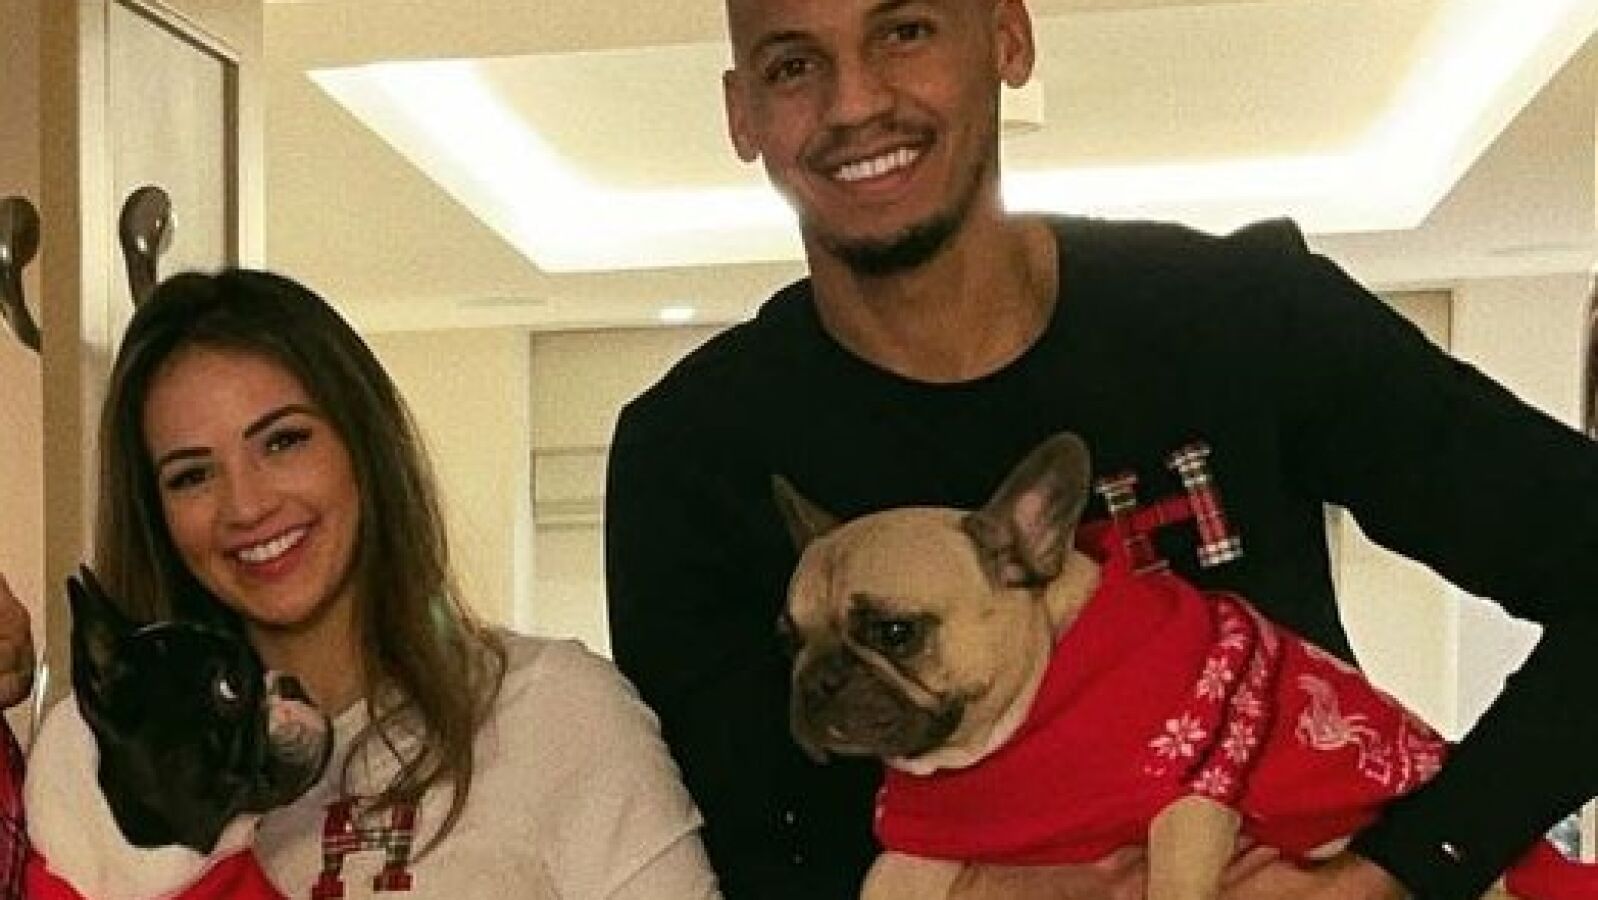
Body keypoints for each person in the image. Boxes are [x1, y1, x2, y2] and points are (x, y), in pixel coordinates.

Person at [603, 0, 1598, 898]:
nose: (854, 101)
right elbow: (740, 839)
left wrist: (1401, 870)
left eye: (904, 31)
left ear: (1007, 37)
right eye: (791, 65)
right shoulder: (687, 454)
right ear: (741, 114)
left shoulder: (1239, 316)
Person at [0, 268, 721, 899]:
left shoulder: (553, 710)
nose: (246, 505)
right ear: (156, 513)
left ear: (363, 442)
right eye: (192, 475)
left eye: (283, 440)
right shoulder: (103, 799)